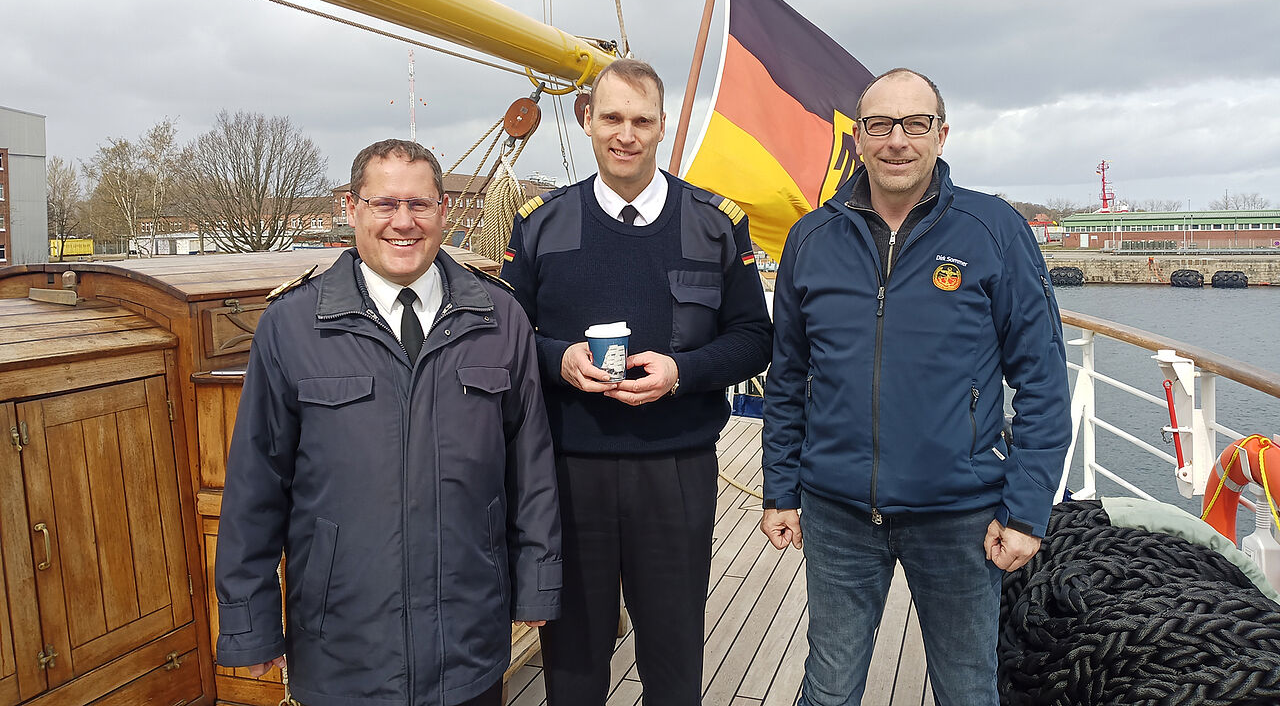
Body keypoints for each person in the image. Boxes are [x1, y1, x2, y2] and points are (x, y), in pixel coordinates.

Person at [760, 68, 1070, 706]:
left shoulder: (993, 231)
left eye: (915, 124)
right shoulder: (812, 239)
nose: (897, 140)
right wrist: (778, 490)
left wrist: (1026, 510)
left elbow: (1041, 379)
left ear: (942, 133)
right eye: (880, 125)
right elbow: (787, 378)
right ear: (858, 138)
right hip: (837, 511)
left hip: (960, 516)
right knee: (829, 687)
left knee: (966, 690)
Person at [214, 139, 562, 706]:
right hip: (343, 648)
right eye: (385, 204)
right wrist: (248, 625)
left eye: (420, 205)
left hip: (466, 643)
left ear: (445, 211)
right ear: (351, 209)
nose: (404, 222)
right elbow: (256, 485)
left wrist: (539, 586)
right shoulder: (293, 325)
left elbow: (532, 468)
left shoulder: (500, 319)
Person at [500, 58, 772, 706]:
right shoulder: (540, 224)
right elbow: (507, 339)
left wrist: (684, 373)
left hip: (675, 470)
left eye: (642, 120)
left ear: (661, 127)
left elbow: (754, 338)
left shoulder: (714, 224)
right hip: (569, 474)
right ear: (587, 119)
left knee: (674, 666)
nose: (627, 134)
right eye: (613, 117)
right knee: (572, 666)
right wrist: (560, 358)